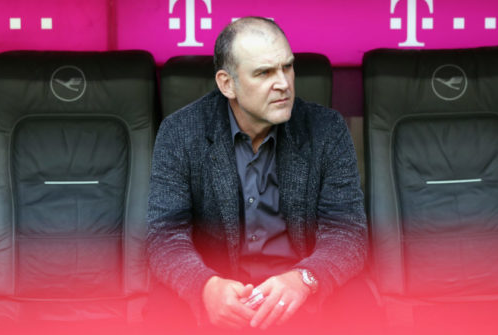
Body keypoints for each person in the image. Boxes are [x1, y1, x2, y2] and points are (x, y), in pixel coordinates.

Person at [145, 16, 382, 334]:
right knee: (161, 307)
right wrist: (205, 287)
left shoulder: (327, 129)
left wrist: (304, 279)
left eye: (287, 67)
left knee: (359, 302)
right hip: (221, 289)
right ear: (227, 83)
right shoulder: (180, 132)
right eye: (264, 72)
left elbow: (347, 234)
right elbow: (164, 237)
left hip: (301, 290)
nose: (284, 83)